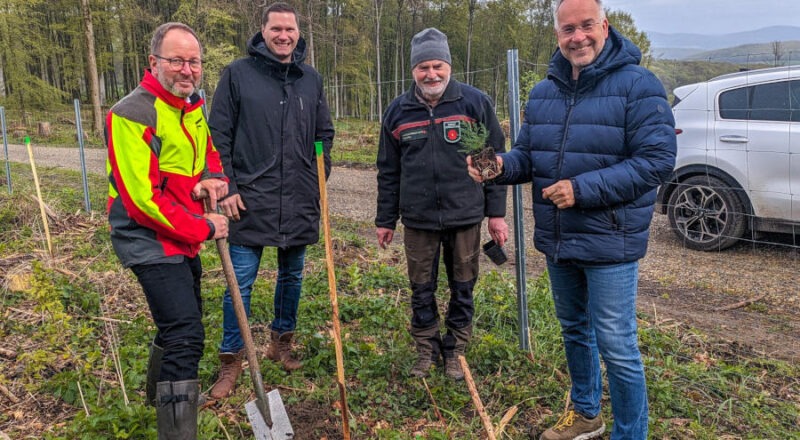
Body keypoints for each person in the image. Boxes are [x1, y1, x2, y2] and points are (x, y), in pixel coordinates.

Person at [468, 0, 676, 438]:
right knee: (575, 331)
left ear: (605, 26)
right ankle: (586, 414)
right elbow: (530, 156)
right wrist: (499, 166)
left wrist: (581, 190)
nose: (577, 37)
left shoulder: (639, 85)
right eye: (568, 29)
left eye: (586, 26)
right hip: (560, 239)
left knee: (618, 346)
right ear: (558, 35)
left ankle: (629, 433)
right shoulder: (545, 91)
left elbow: (656, 162)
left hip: (610, 241)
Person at [105, 22, 229, 439]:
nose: (187, 69)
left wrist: (212, 177)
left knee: (180, 321)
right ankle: (177, 433)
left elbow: (208, 152)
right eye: (176, 60)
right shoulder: (131, 113)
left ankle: (156, 402)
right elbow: (142, 201)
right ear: (153, 62)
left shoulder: (190, 106)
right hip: (148, 237)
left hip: (180, 236)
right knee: (186, 334)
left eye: (193, 61)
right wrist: (204, 226)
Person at [207, 2, 335, 399]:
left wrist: (317, 174)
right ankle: (232, 359)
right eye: (276, 29)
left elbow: (323, 133)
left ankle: (281, 344)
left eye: (290, 30)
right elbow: (218, 135)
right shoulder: (237, 75)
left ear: (299, 34)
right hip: (247, 200)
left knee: (292, 276)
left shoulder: (310, 79)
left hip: (298, 199)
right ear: (262, 31)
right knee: (239, 282)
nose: (284, 36)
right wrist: (226, 186)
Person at [376, 28, 509, 381]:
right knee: (421, 287)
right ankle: (426, 347)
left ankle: (456, 349)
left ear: (448, 65)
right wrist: (385, 219)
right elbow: (388, 171)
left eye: (437, 65)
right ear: (413, 70)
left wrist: (496, 214)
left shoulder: (473, 104)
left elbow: (491, 163)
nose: (431, 74)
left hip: (465, 216)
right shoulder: (398, 111)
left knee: (463, 285)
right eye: (423, 67)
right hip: (418, 219)